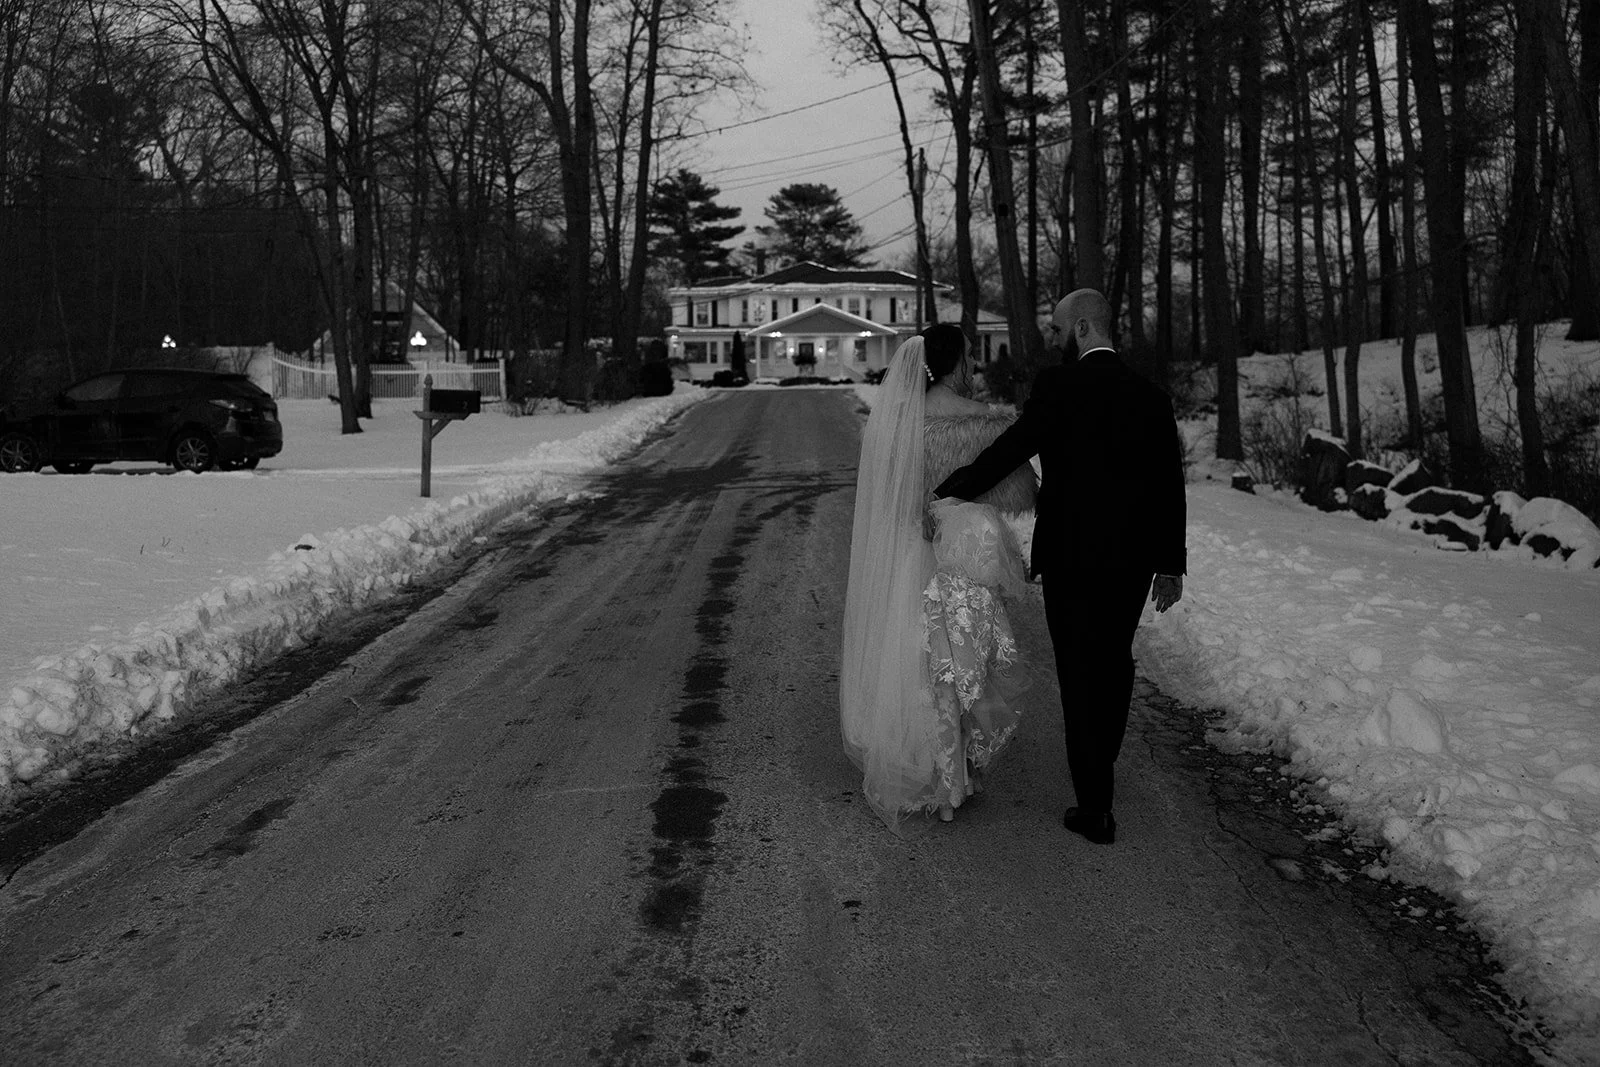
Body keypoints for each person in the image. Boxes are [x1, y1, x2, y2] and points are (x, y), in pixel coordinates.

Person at [933, 289, 1186, 845]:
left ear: (1082, 328)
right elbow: (1170, 484)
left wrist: (953, 487)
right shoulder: (1151, 396)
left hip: (1071, 557)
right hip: (1132, 560)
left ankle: (1095, 804)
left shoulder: (1058, 387)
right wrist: (1170, 564)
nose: (1050, 339)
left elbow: (1009, 448)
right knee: (1114, 662)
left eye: (1055, 330)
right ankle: (1102, 759)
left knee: (1077, 672)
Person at [840, 324, 1037, 833]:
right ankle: (954, 777)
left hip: (909, 555)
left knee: (916, 663)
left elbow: (884, 500)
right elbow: (1019, 494)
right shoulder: (983, 423)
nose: (973, 364)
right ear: (956, 364)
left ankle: (928, 772)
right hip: (959, 563)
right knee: (958, 665)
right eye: (970, 356)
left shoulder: (897, 423)